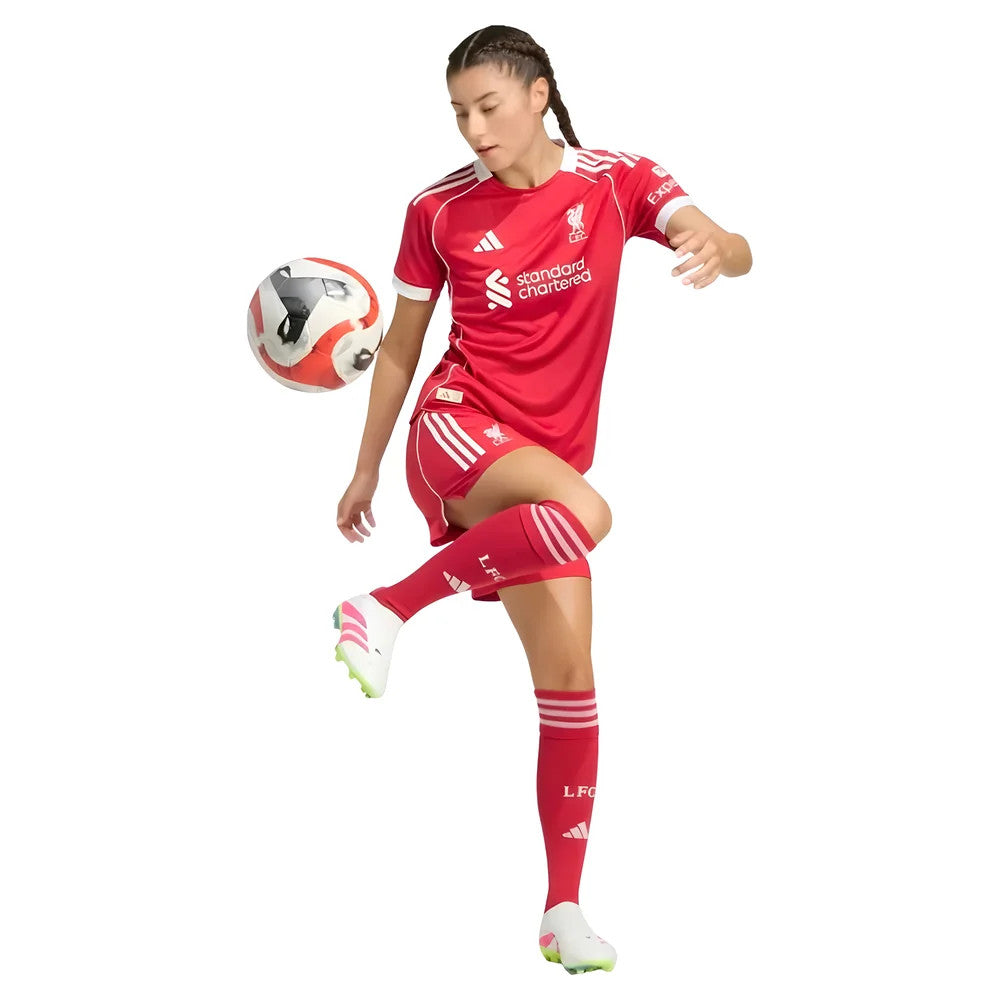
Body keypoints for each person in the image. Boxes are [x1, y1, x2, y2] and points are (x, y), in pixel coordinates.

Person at [332, 24, 753, 975]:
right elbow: (400, 347)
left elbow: (733, 246)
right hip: (457, 431)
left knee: (570, 682)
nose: (474, 129)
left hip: (541, 473)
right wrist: (365, 468)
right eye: (459, 113)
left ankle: (563, 908)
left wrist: (720, 246)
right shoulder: (437, 210)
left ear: (539, 93)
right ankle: (385, 607)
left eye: (488, 106)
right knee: (591, 516)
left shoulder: (613, 180)